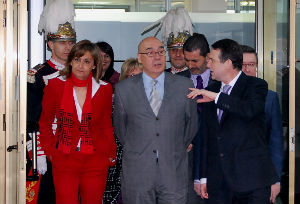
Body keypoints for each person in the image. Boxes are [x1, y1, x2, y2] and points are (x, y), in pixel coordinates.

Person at [188, 39, 278, 204]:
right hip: (218, 183)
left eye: (212, 60)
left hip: (252, 182)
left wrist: (217, 98)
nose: (208, 65)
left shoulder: (256, 85)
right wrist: (203, 177)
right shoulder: (211, 90)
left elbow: (249, 110)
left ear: (228, 63)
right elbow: (205, 137)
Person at [113, 36, 198, 204]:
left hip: (173, 170)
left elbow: (191, 125)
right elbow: (121, 131)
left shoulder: (184, 85)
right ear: (139, 58)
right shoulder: (124, 89)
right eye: (150, 53)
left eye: (160, 51)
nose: (157, 57)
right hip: (138, 172)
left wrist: (173, 147)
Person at [39, 40, 116, 204]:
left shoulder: (104, 89)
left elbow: (106, 124)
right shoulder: (55, 85)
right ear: (71, 61)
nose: (81, 65)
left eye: (86, 61)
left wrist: (110, 153)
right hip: (65, 157)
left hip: (96, 158)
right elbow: (45, 122)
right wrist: (50, 151)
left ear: (94, 65)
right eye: (77, 59)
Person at [26, 1, 76, 203]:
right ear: (50, 44)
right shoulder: (37, 75)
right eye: (62, 42)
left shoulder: (81, 72)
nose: (67, 47)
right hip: (49, 151)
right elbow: (31, 119)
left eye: (71, 42)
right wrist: (39, 153)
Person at [241, 45, 284, 203]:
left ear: (256, 67)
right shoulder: (223, 94)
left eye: (251, 64)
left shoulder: (270, 98)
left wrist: (276, 179)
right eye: (243, 64)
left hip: (260, 177)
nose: (247, 69)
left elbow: (276, 141)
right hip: (230, 178)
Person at [182, 33, 212, 204]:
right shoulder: (177, 82)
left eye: (195, 61)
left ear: (207, 57)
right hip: (188, 154)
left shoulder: (219, 82)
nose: (190, 65)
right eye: (187, 60)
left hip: (212, 152)